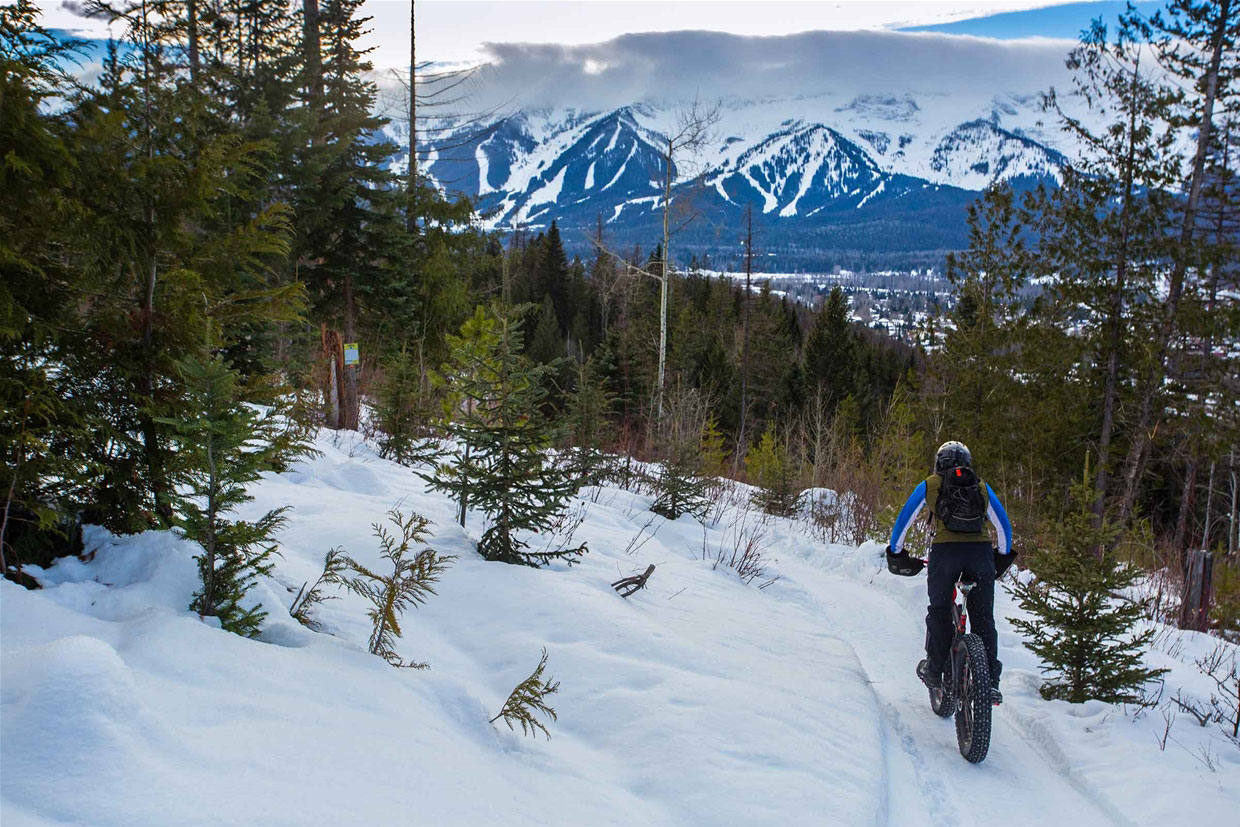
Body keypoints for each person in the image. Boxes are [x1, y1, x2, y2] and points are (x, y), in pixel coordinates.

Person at [885, 441, 1014, 704]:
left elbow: (904, 519)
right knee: (983, 618)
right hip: (979, 554)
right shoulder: (981, 486)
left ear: (938, 463)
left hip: (945, 554)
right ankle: (989, 683)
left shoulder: (931, 484)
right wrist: (1001, 556)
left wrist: (896, 552)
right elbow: (1004, 528)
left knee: (940, 611)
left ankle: (934, 672)